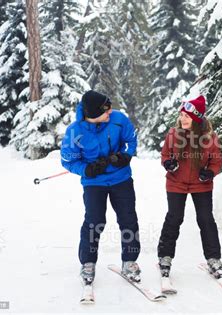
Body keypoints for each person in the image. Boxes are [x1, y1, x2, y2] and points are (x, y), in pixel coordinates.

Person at [60, 90, 141, 284]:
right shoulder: (75, 132)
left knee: (128, 219)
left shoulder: (119, 119)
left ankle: (129, 261)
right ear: (93, 114)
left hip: (121, 178)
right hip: (94, 182)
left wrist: (126, 156)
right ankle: (88, 263)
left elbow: (131, 141)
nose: (110, 112)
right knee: (95, 221)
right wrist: (87, 169)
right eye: (106, 110)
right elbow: (67, 161)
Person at [157, 95, 222, 279]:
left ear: (196, 118)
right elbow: (164, 156)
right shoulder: (173, 134)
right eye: (181, 115)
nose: (182, 119)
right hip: (176, 182)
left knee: (205, 219)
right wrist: (168, 164)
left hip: (201, 185)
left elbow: (216, 161)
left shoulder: (209, 137)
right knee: (174, 217)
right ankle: (165, 256)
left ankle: (213, 258)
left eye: (186, 116)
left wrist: (210, 172)